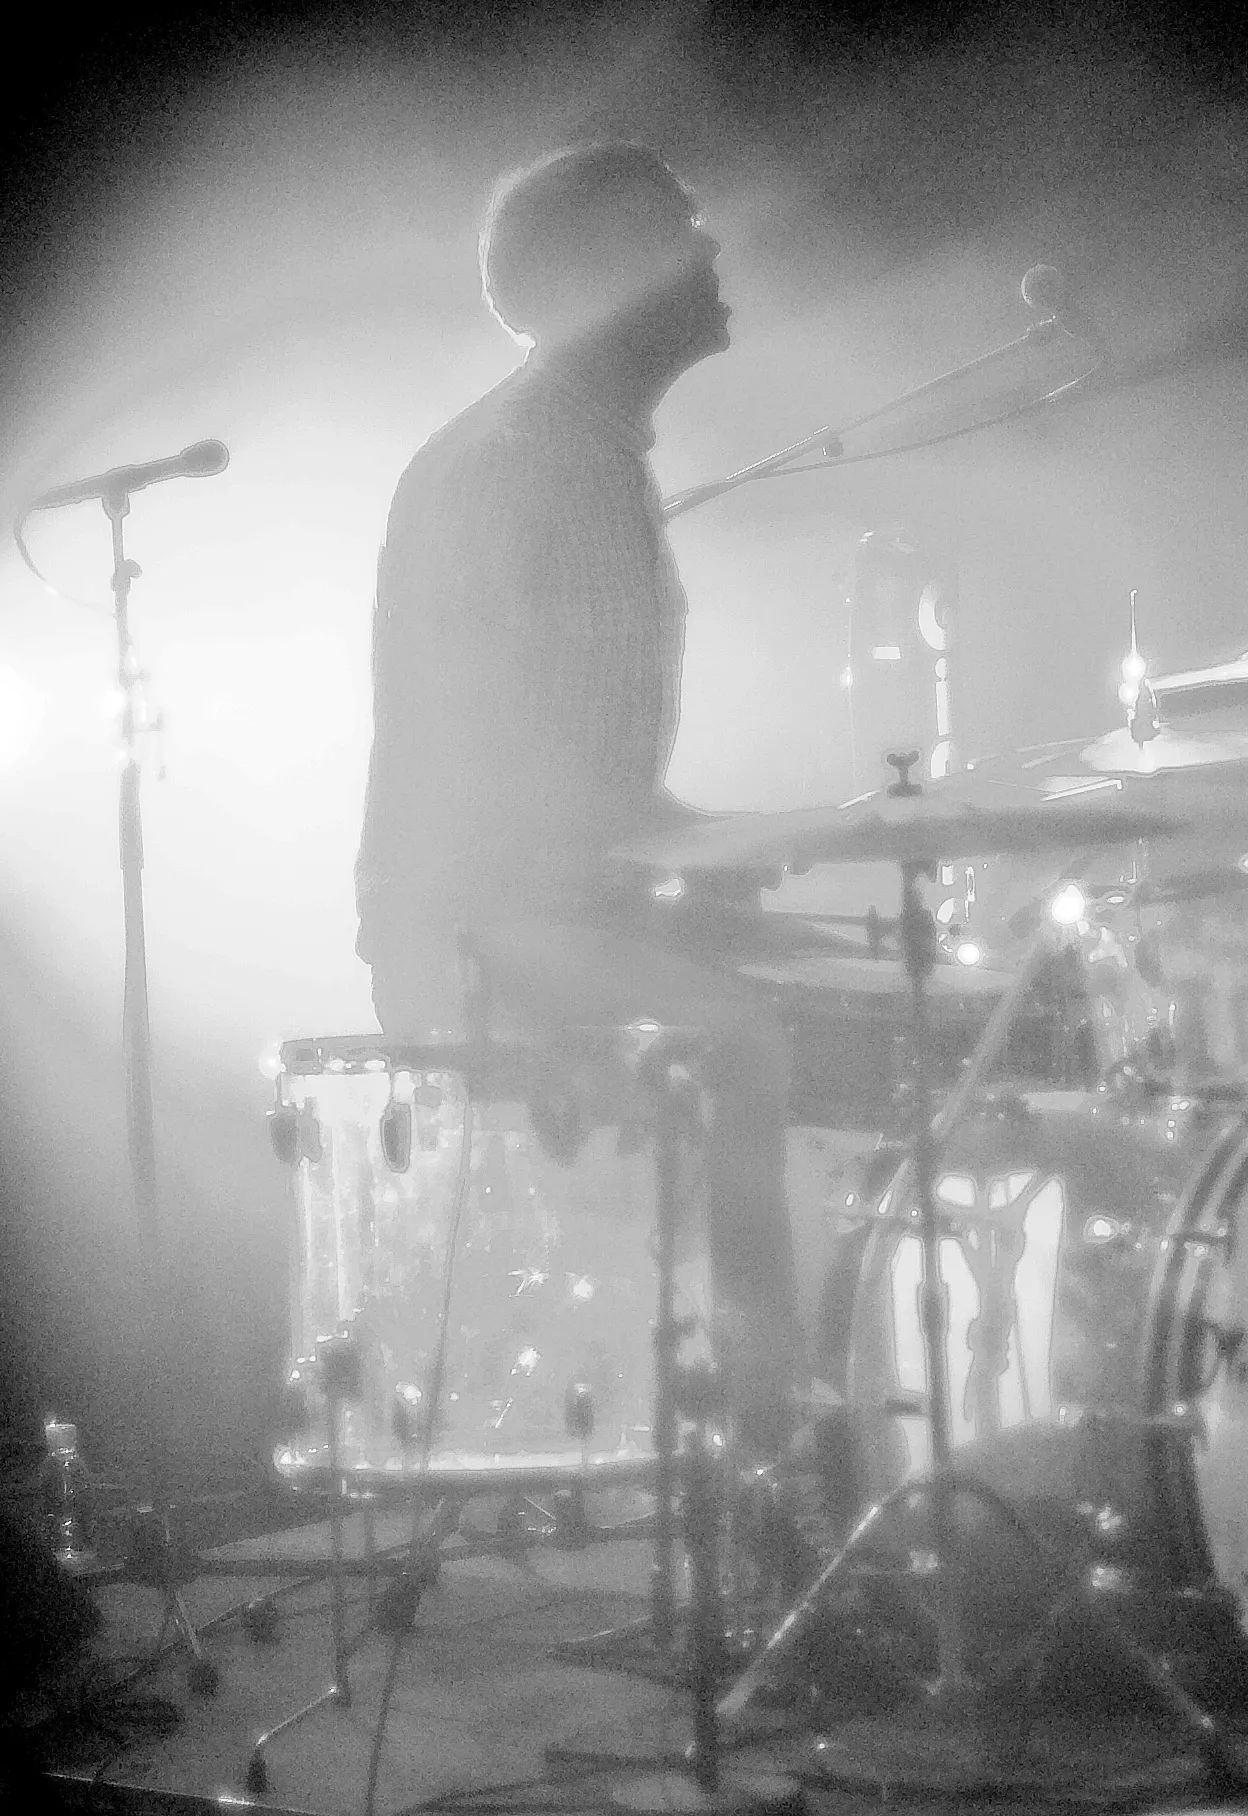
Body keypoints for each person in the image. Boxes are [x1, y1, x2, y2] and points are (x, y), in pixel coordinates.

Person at [356, 143, 803, 1452]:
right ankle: (764, 1442)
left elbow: (584, 779)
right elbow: (513, 783)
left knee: (863, 983)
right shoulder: (532, 464)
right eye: (681, 227)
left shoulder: (581, 450)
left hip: (545, 901)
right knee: (744, 1038)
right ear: (606, 274)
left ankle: (762, 1420)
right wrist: (709, 852)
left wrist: (715, 849)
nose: (711, 250)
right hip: (481, 929)